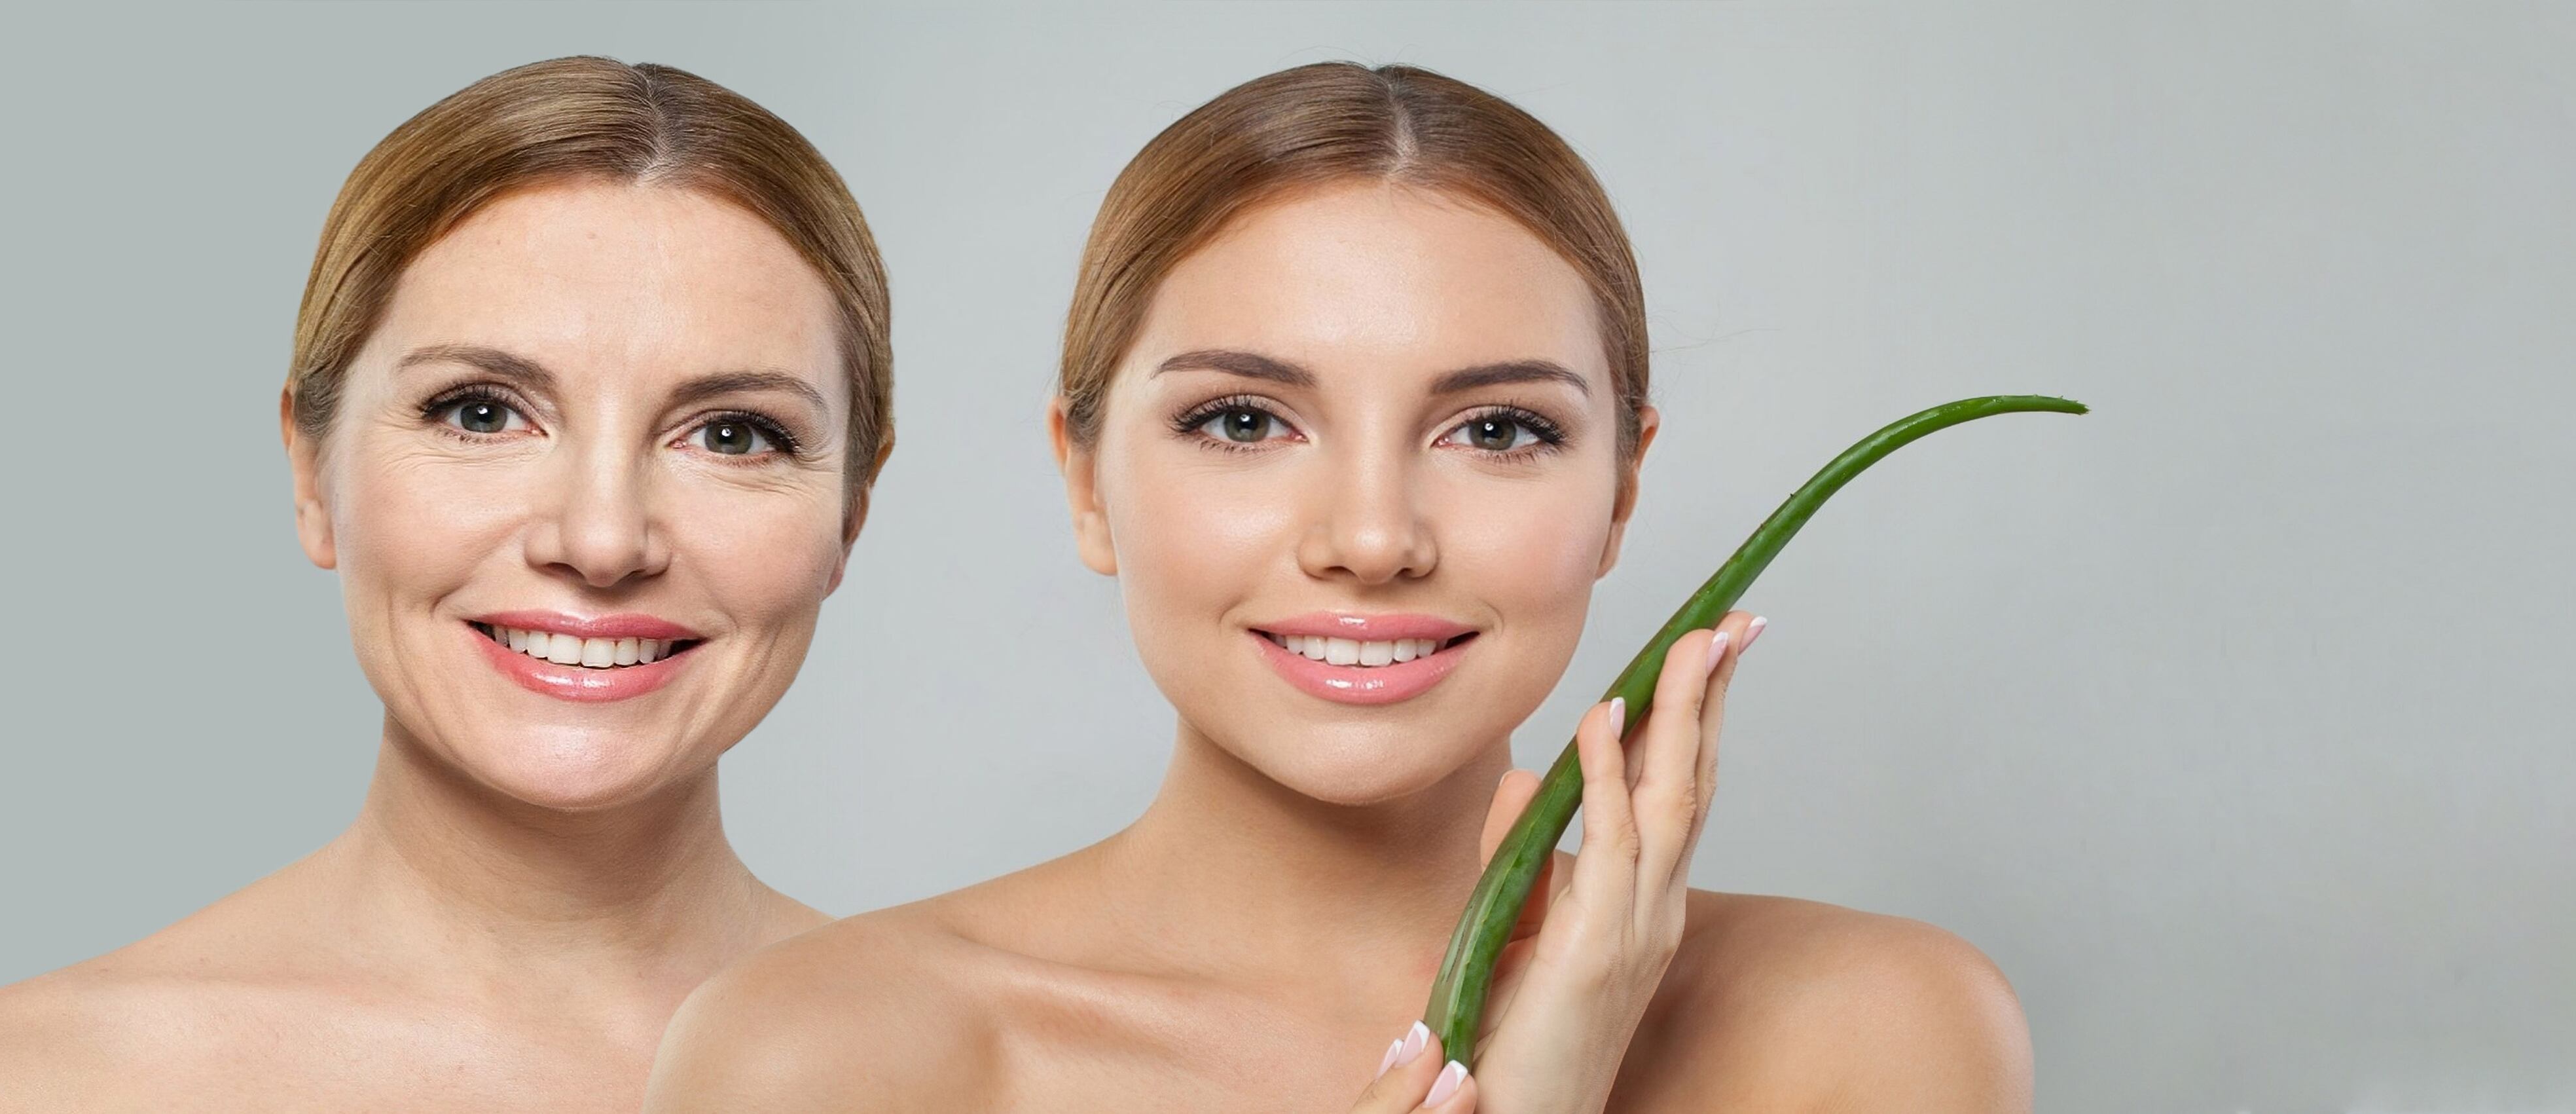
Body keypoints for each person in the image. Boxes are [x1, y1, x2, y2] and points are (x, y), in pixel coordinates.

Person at [648, 62, 2027, 1113]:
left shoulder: (1873, 1033)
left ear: (1621, 490)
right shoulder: (828, 1056)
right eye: (1244, 420)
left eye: (1498, 429)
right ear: (1086, 482)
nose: (1372, 538)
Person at [0, 56, 894, 1112]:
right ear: (312, 471)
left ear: (852, 508)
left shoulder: (972, 1074)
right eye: (481, 412)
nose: (603, 539)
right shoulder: (6, 1092)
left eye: (732, 434)